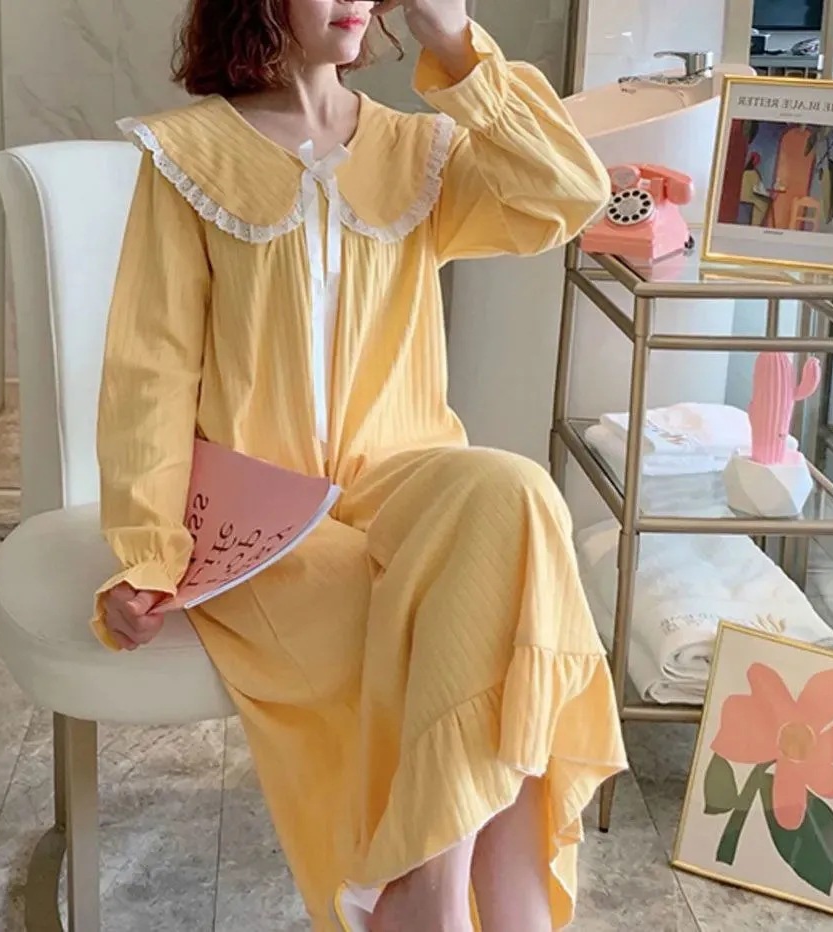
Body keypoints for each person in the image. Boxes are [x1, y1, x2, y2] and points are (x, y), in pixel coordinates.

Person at [94, 1, 626, 929]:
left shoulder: (417, 151)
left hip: (399, 476)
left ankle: (423, 890)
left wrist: (454, 43)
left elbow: (566, 191)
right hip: (260, 517)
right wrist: (146, 550)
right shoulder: (189, 156)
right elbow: (152, 366)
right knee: (484, 615)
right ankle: (500, 908)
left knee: (513, 493)